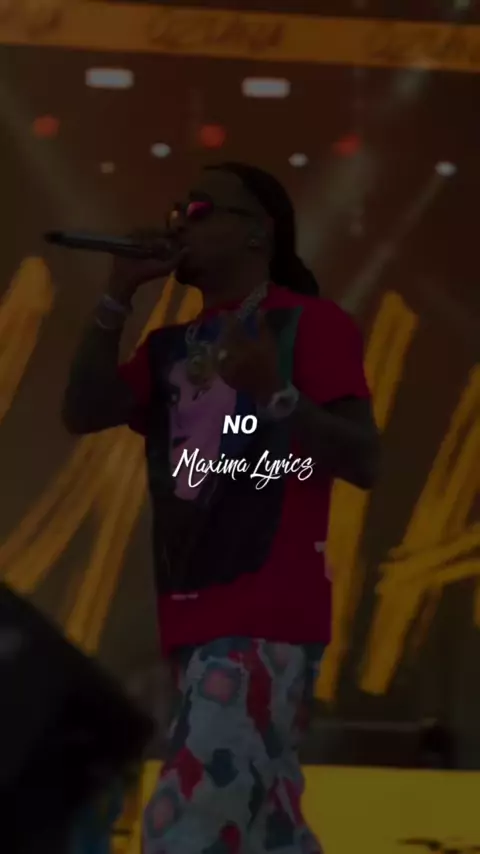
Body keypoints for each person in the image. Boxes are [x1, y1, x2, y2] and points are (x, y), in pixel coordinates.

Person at [62, 162, 379, 854]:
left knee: (186, 826)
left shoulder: (311, 326)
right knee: (267, 829)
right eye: (177, 210)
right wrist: (118, 294)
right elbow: (83, 410)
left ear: (257, 233)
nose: (180, 223)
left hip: (265, 613)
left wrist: (275, 392)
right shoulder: (171, 347)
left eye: (200, 210)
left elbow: (364, 461)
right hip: (192, 611)